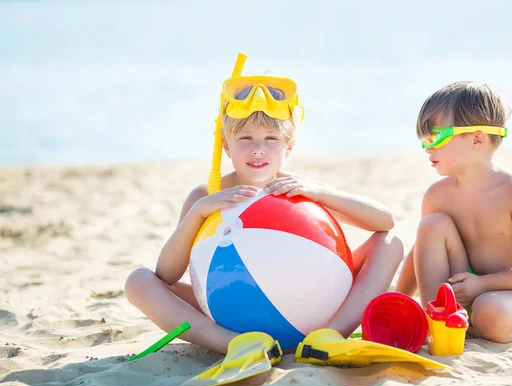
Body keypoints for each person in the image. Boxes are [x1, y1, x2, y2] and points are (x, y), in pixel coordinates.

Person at [125, 74, 404, 354]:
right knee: (138, 281)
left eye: (271, 138)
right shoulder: (206, 196)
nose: (258, 148)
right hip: (227, 306)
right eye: (245, 138)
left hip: (310, 303)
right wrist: (198, 213)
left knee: (390, 244)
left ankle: (328, 338)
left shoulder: (298, 189)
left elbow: (385, 221)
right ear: (226, 146)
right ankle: (230, 344)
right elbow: (166, 274)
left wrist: (320, 192)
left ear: (289, 147)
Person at [395, 81, 512, 343]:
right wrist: (398, 303)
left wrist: (481, 285)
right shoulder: (438, 195)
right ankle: (437, 317)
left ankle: (473, 323)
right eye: (423, 140)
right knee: (431, 225)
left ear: (477, 139)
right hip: (459, 286)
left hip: (509, 289)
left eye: (435, 137)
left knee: (491, 313)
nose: (427, 148)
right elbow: (419, 251)